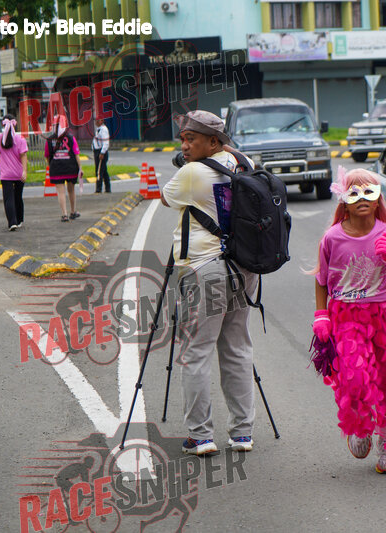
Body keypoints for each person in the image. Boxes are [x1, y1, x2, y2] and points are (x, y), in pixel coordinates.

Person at [312, 167, 386, 474]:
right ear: (343, 199)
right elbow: (322, 279)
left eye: (369, 191)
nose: (362, 199)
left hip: (382, 315)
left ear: (378, 198)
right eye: (354, 193)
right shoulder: (332, 238)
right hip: (345, 315)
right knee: (354, 377)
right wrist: (321, 315)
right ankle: (361, 426)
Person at [160, 110, 258, 455]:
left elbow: (166, 198)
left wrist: (186, 166)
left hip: (205, 269)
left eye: (192, 139)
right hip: (245, 268)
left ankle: (201, 436)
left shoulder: (191, 173)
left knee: (197, 352)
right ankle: (242, 433)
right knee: (237, 348)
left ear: (213, 141)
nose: (185, 146)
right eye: (183, 140)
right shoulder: (244, 162)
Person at [0, 114, 28, 231]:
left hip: (6, 174)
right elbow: (23, 156)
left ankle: (12, 222)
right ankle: (19, 220)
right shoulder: (20, 139)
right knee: (18, 197)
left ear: (3, 125)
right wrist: (24, 171)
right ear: (15, 125)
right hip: (18, 173)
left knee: (8, 198)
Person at [45, 114, 83, 222]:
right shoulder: (71, 137)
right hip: (71, 167)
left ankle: (64, 214)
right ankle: (73, 211)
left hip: (56, 168)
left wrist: (51, 165)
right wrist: (80, 168)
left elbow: (47, 156)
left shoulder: (50, 139)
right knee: (71, 190)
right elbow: (76, 154)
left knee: (60, 192)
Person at [92, 117, 111, 193]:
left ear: (102, 121)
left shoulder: (103, 129)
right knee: (104, 171)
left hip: (101, 152)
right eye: (95, 121)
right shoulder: (98, 129)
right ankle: (108, 188)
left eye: (97, 120)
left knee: (99, 171)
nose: (96, 122)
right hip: (97, 151)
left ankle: (98, 189)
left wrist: (102, 153)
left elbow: (106, 142)